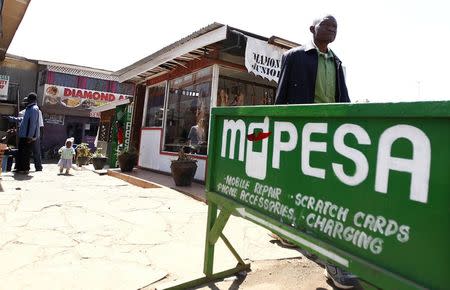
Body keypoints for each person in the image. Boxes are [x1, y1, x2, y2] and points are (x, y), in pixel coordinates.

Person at [275, 15, 356, 289]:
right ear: (313, 29)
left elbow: (343, 100)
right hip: (300, 133)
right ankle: (289, 231)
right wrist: (280, 132)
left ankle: (331, 260)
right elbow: (281, 96)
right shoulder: (295, 56)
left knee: (327, 192)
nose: (332, 29)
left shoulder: (337, 62)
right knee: (296, 183)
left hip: (330, 136)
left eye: (336, 27)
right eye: (327, 25)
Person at [7, 92, 40, 174]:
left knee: (25, 153)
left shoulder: (34, 109)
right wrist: (11, 118)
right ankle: (19, 168)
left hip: (27, 136)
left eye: (28, 99)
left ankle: (25, 169)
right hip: (23, 135)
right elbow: (23, 120)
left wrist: (30, 137)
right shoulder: (29, 108)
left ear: (31, 99)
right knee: (21, 152)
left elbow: (33, 124)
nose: (27, 100)